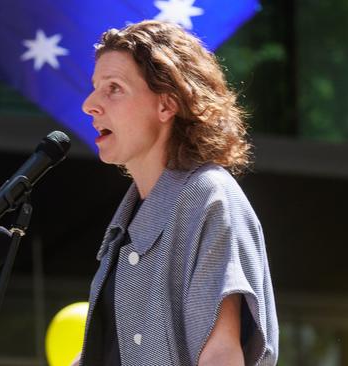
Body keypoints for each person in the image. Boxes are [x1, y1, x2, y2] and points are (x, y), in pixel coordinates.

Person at [76, 20, 279, 365]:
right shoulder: (128, 218)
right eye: (95, 87)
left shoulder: (207, 195)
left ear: (167, 105)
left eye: (114, 88)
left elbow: (220, 354)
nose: (90, 104)